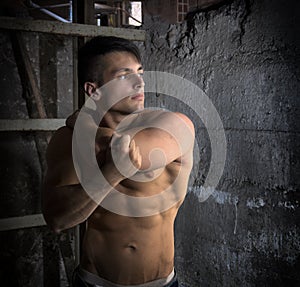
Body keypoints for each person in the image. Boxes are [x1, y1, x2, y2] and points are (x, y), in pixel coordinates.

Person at [42, 36, 195, 287]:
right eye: (124, 76)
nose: (139, 83)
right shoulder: (67, 139)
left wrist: (83, 127)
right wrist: (110, 175)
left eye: (140, 73)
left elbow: (131, 157)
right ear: (94, 90)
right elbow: (58, 220)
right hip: (92, 282)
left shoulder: (174, 124)